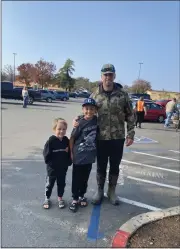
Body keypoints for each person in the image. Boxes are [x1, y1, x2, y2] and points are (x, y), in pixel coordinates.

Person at [73, 64, 135, 206]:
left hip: (117, 137)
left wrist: (131, 134)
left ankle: (111, 191)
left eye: (110, 74)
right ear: (101, 77)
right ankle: (100, 190)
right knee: (101, 166)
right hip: (100, 138)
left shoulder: (122, 95)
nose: (108, 77)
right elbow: (87, 111)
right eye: (105, 74)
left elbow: (130, 115)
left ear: (114, 76)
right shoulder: (95, 95)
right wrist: (77, 119)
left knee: (114, 166)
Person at [69, 98, 98, 212]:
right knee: (76, 178)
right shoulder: (79, 122)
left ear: (95, 110)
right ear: (83, 109)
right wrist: (71, 152)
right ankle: (75, 198)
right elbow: (72, 138)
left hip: (89, 156)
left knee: (85, 178)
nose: (89, 111)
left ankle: (82, 195)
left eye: (91, 109)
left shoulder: (96, 120)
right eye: (86, 109)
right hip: (78, 155)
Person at [43, 118, 72, 209]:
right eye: (59, 129)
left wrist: (68, 162)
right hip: (52, 168)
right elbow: (46, 154)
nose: (61, 131)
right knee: (50, 184)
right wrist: (51, 164)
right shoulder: (51, 141)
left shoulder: (66, 141)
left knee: (61, 183)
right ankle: (47, 198)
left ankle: (60, 198)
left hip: (62, 168)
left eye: (64, 129)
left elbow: (69, 153)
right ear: (54, 129)